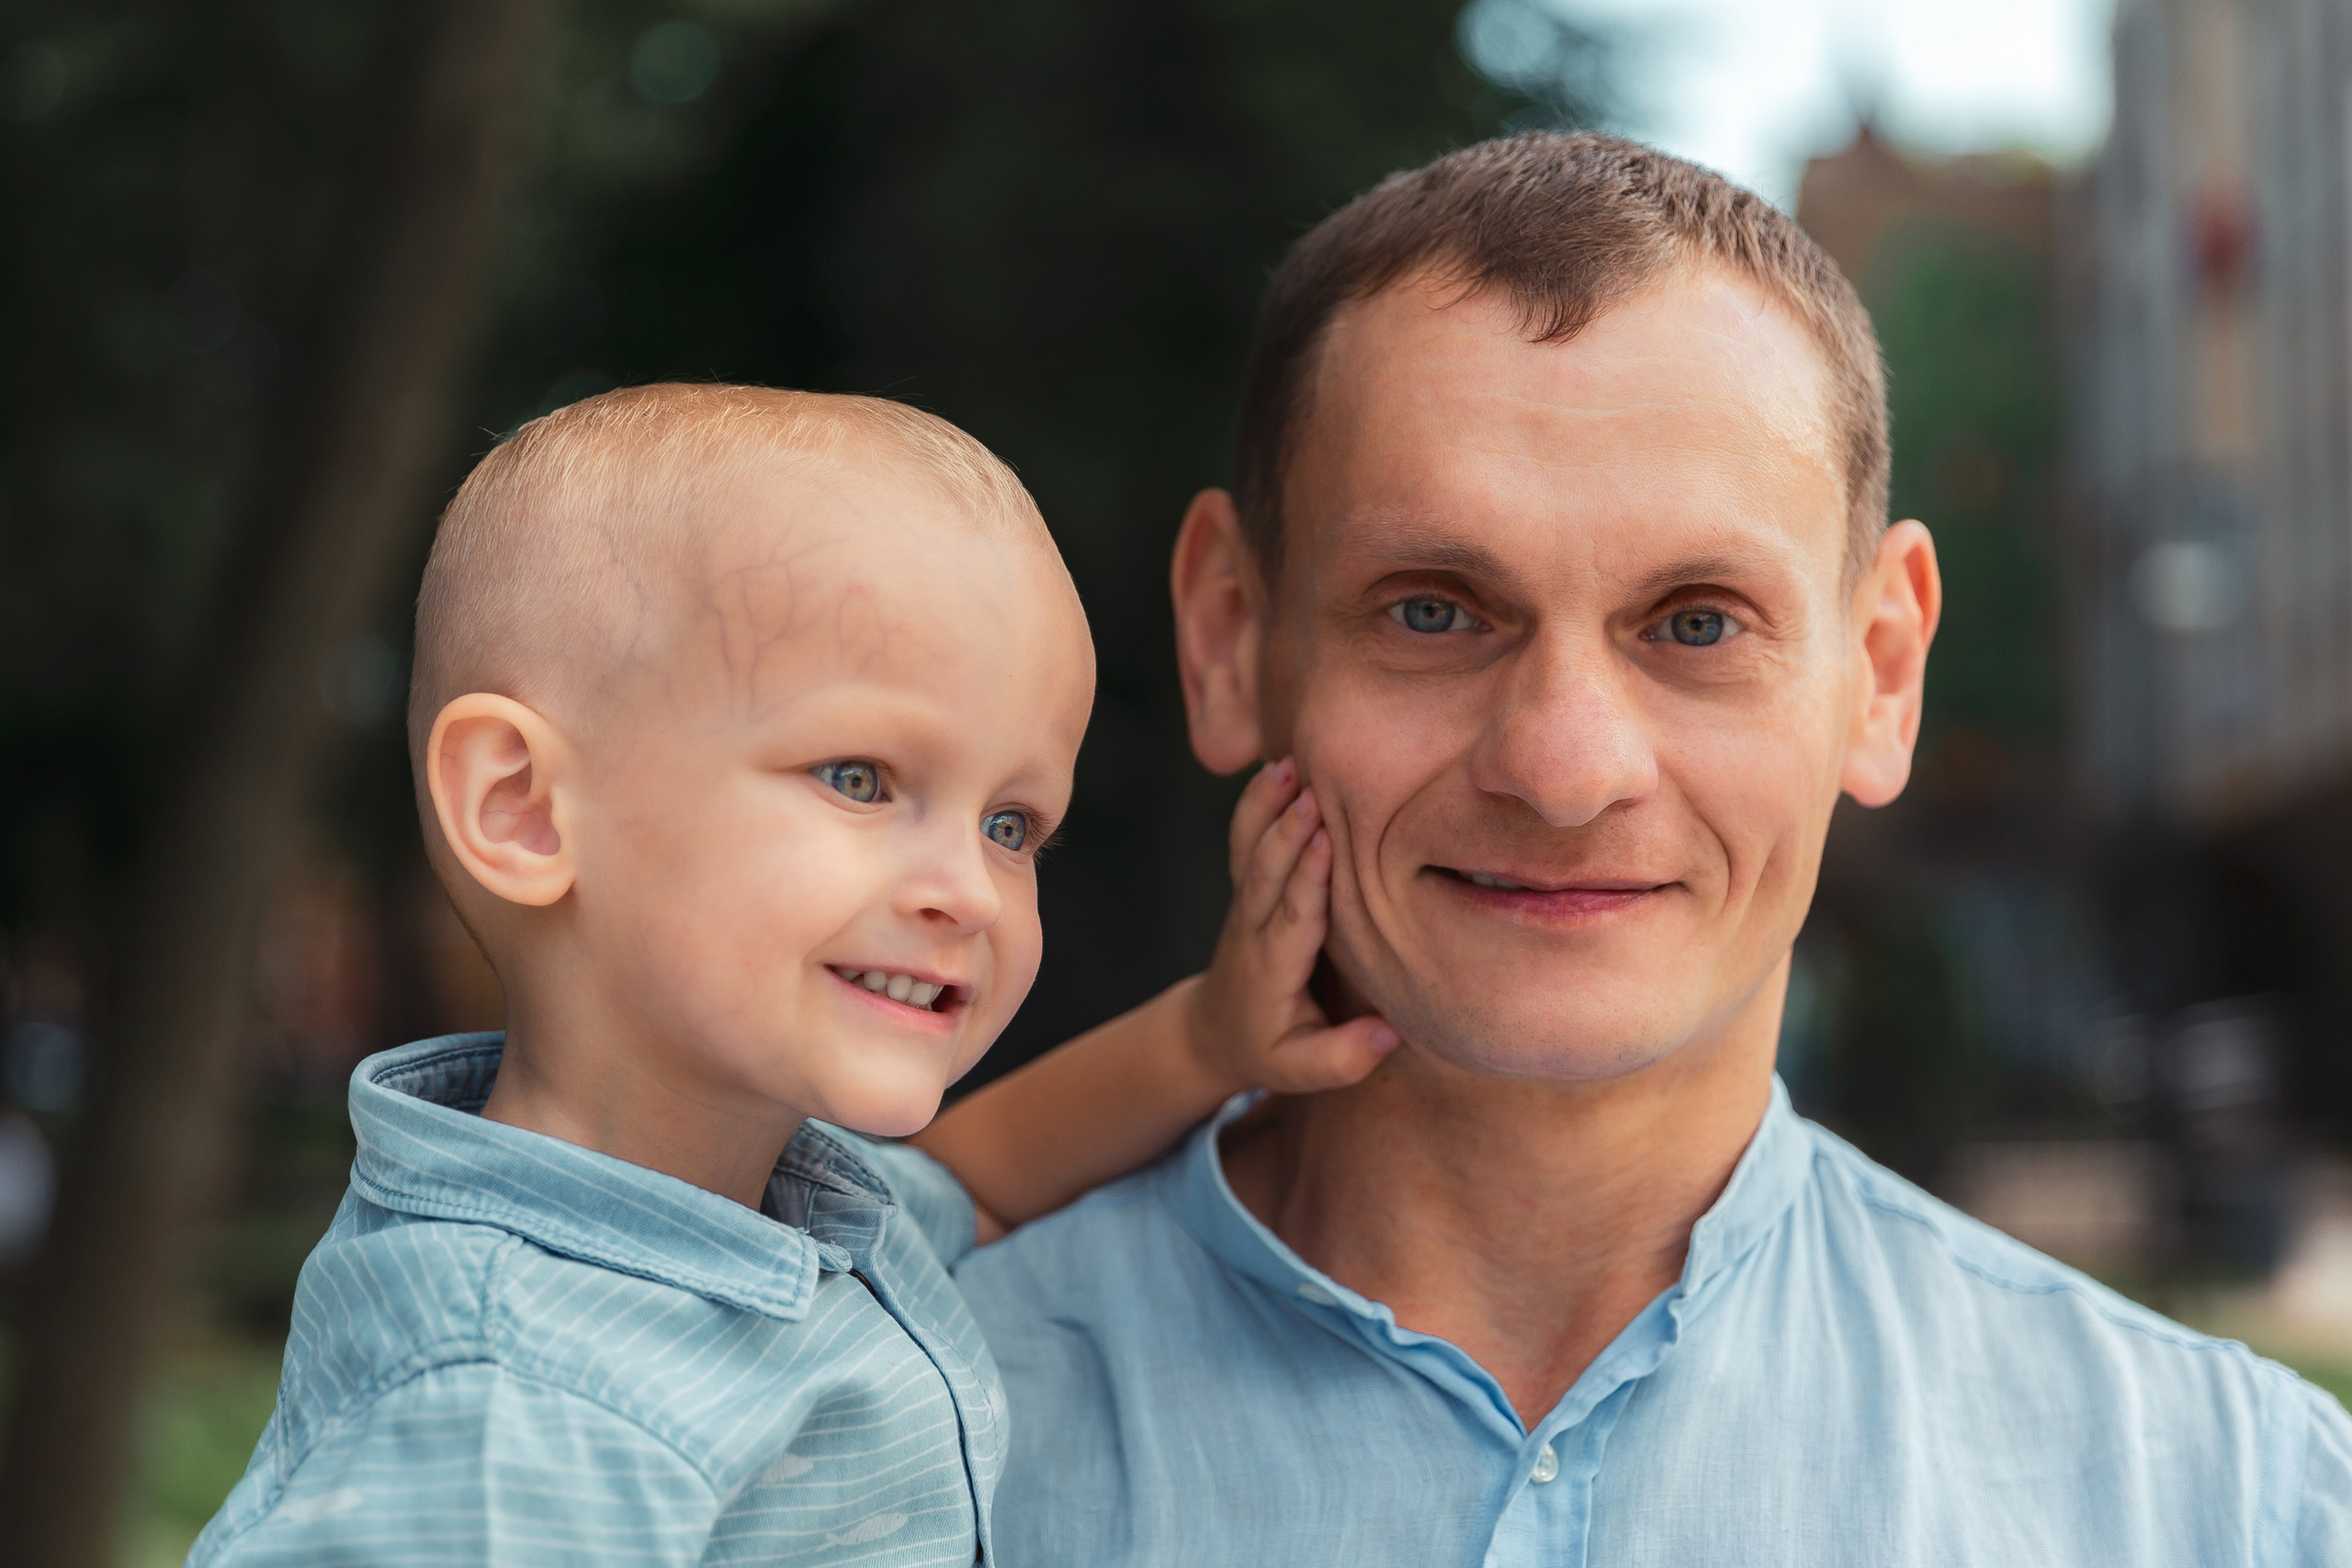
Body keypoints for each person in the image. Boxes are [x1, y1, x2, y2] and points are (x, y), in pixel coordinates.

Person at [955, 131, 2352, 1565]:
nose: (1565, 772)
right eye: (1434, 610)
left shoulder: (2235, 1504)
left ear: (1881, 676)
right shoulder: (883, 1453)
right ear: (1231, 638)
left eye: (1696, 624)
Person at [187, 384, 1394, 1566]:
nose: (970, 891)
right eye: (860, 779)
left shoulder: (759, 1204)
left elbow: (968, 1187)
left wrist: (1206, 1040)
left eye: (1013, 825)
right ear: (526, 809)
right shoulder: (511, 1404)